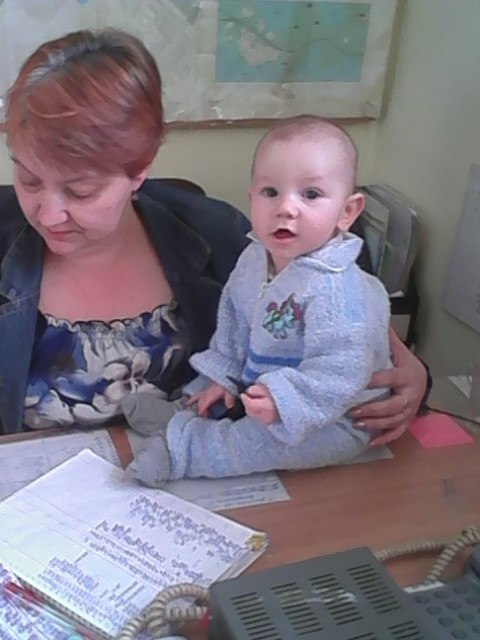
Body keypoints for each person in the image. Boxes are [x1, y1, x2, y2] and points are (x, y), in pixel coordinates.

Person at [0, 28, 428, 445]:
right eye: (30, 179)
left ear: (139, 171)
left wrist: (413, 374)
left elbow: (341, 301)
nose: (49, 214)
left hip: (193, 475)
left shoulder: (217, 235)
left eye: (80, 190)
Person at [123, 116, 405, 485]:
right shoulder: (255, 257)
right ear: (251, 198)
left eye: (311, 194)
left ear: (347, 212)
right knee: (215, 387)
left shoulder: (339, 290)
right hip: (261, 389)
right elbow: (233, 323)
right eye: (271, 192)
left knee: (258, 443)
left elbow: (339, 374)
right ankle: (185, 410)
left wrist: (284, 402)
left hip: (333, 416)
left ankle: (182, 452)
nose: (286, 208)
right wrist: (222, 378)